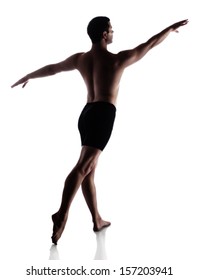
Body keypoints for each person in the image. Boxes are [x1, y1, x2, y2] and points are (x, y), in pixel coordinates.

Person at [11, 16, 188, 245]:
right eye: (112, 30)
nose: (114, 33)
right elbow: (150, 43)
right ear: (104, 34)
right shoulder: (118, 60)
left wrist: (29, 76)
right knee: (83, 167)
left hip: (86, 115)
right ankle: (62, 213)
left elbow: (53, 68)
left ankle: (97, 220)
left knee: (89, 171)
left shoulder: (80, 59)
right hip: (103, 114)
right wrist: (170, 28)